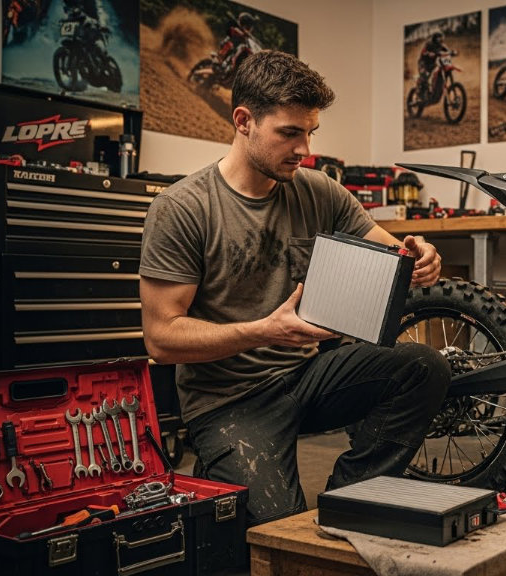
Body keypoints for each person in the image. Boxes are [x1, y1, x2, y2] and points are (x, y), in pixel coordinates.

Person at [139, 50, 450, 526]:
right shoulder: (182, 209)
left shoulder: (318, 189)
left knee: (422, 366)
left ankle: (348, 501)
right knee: (278, 528)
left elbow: (394, 252)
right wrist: (265, 331)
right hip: (230, 398)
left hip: (308, 377)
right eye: (289, 133)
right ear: (244, 121)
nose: (304, 148)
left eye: (310, 133)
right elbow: (161, 341)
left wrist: (419, 255)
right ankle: (221, 465)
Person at [417, 31, 451, 96]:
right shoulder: (429, 44)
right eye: (439, 38)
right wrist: (428, 53)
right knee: (424, 77)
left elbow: (447, 51)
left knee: (437, 72)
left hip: (432, 64)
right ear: (435, 38)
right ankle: (419, 92)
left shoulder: (441, 45)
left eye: (441, 38)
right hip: (423, 63)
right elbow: (424, 52)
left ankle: (435, 88)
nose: (441, 39)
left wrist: (452, 52)